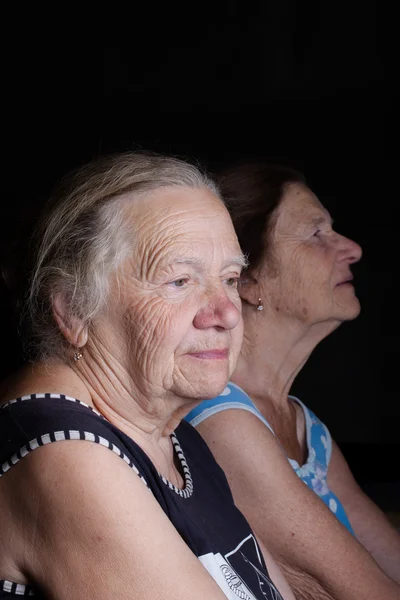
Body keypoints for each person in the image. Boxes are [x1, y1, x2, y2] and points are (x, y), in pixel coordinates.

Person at [0, 153, 295, 600]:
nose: (228, 312)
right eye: (179, 281)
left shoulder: (173, 437)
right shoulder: (62, 450)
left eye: (231, 278)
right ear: (74, 309)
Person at [185, 163, 400, 600]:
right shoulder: (224, 422)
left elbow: (384, 551)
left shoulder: (306, 425)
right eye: (315, 233)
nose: (352, 248)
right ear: (246, 279)